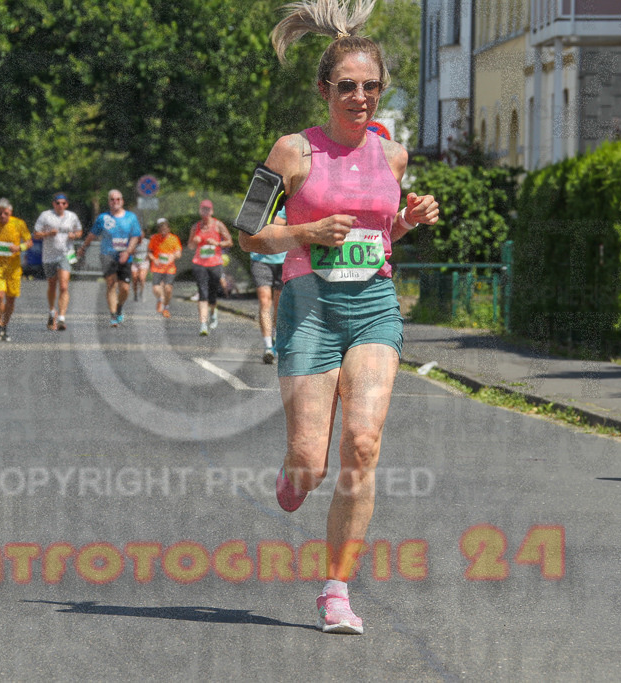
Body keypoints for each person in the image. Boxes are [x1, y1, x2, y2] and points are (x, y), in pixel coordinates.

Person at [239, 0, 439, 635]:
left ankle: (336, 591)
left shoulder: (394, 155)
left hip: (375, 307)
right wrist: (307, 229)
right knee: (311, 461)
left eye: (370, 87)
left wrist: (405, 224)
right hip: (309, 310)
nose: (359, 97)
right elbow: (247, 233)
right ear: (324, 89)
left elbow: (381, 238)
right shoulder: (293, 151)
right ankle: (295, 477)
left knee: (363, 443)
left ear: (383, 91)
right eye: (346, 86)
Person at [78, 189, 142, 327]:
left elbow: (135, 236)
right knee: (111, 283)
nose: (115, 202)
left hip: (125, 255)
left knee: (125, 288)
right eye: (112, 199)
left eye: (118, 199)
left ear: (122, 201)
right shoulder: (103, 218)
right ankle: (113, 315)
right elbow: (92, 234)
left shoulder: (131, 217)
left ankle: (119, 308)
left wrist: (128, 251)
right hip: (107, 254)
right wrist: (83, 247)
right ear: (109, 202)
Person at [0, 198, 33, 342]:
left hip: (14, 267)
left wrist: (19, 247)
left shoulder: (18, 224)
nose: (2, 216)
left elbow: (29, 242)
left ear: (10, 212)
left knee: (11, 298)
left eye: (5, 213)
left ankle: (4, 326)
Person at [33, 192, 83, 331]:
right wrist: (48, 234)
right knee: (52, 285)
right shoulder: (45, 216)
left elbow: (79, 231)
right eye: (58, 203)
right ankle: (51, 311)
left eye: (63, 203)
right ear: (53, 204)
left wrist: (74, 235)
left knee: (63, 286)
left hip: (65, 255)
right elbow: (36, 234)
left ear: (66, 204)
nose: (60, 205)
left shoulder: (71, 216)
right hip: (49, 256)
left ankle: (61, 318)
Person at [187, 199, 233, 336]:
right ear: (200, 211)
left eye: (208, 209)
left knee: (212, 294)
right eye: (203, 209)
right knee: (202, 292)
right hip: (199, 263)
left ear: (211, 211)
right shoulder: (196, 227)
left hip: (215, 263)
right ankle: (203, 325)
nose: (205, 212)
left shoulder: (218, 225)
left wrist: (217, 243)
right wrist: (194, 242)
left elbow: (230, 242)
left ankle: (213, 312)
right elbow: (189, 246)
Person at [251, 208, 288, 364]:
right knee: (265, 301)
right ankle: (267, 346)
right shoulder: (259, 203)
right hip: (260, 260)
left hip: (283, 259)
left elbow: (283, 225)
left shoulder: (286, 205)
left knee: (279, 307)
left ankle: (275, 340)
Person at [148, 217, 183, 318]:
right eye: (160, 227)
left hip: (169, 268)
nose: (162, 229)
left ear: (168, 228)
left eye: (164, 227)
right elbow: (150, 252)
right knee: (156, 288)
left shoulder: (174, 239)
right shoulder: (154, 238)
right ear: (158, 229)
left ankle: (166, 307)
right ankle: (160, 299)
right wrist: (154, 259)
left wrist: (173, 256)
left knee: (168, 289)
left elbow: (178, 253)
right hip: (157, 267)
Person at [130, 227, 150, 302]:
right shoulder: (133, 242)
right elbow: (128, 251)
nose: (140, 236)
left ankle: (142, 292)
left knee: (141, 278)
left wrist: (148, 256)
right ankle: (135, 294)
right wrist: (132, 251)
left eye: (142, 234)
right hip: (135, 262)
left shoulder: (147, 242)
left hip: (144, 262)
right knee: (134, 279)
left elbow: (151, 251)